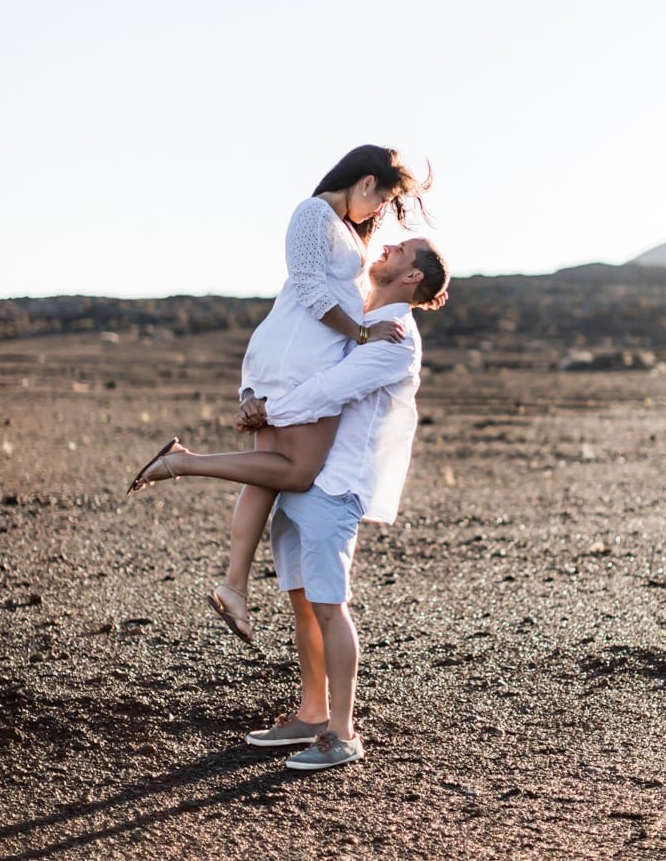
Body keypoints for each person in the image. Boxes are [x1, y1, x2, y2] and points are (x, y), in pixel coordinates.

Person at [131, 237, 450, 768]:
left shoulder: (396, 338)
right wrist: (257, 400)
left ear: (412, 277)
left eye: (402, 250)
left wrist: (265, 412)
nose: (388, 246)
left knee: (329, 606)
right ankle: (311, 714)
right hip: (300, 480)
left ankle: (343, 734)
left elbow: (329, 390)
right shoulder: (357, 322)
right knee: (303, 605)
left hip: (334, 488)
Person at [132, 145, 428, 644]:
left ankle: (233, 585)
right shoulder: (313, 213)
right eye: (380, 201)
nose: (379, 213)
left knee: (266, 478)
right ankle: (183, 462)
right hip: (299, 360)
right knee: (298, 471)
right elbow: (311, 292)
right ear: (365, 182)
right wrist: (360, 334)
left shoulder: (341, 228)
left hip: (287, 354)